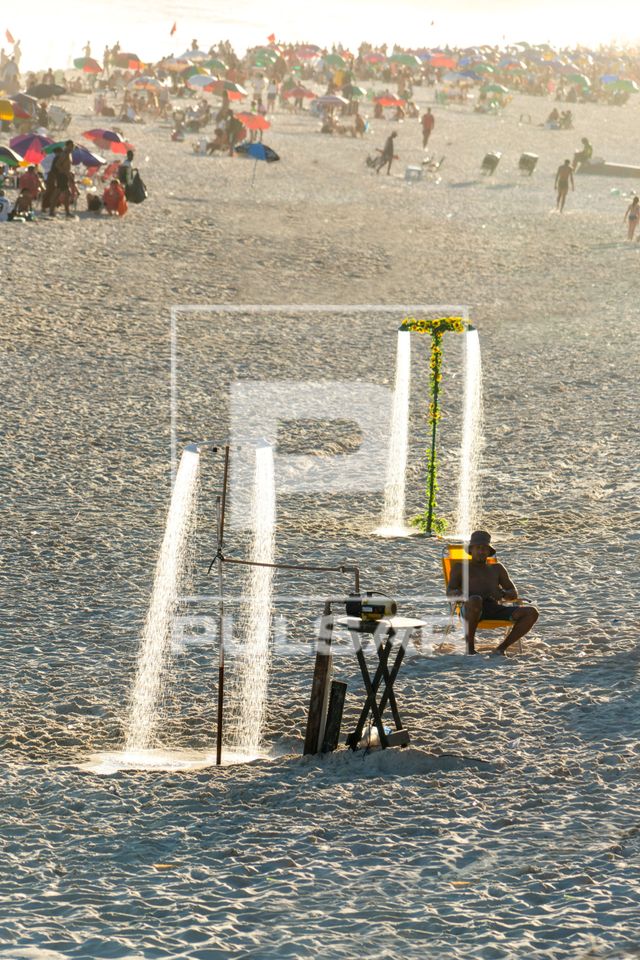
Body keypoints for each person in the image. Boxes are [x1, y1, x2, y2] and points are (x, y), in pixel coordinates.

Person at [446, 531, 539, 656]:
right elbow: (450, 592)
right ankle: (470, 649)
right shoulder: (460, 567)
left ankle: (501, 648)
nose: (481, 551)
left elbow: (513, 592)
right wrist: (466, 595)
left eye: (484, 549)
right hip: (470, 609)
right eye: (478, 548)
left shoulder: (497, 568)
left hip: (493, 608)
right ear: (471, 550)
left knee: (531, 612)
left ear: (489, 552)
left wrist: (502, 594)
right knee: (475, 600)